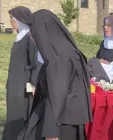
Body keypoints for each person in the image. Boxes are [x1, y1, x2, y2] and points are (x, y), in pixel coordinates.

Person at [20, 9, 92, 140]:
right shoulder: (59, 53)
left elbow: (58, 95)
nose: (31, 35)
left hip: (62, 122)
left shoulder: (60, 57)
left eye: (33, 30)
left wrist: (51, 131)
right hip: (60, 116)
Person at [2, 6, 41, 140]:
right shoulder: (20, 36)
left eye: (12, 19)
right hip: (14, 83)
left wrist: (33, 84)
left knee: (20, 114)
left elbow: (35, 63)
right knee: (12, 113)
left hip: (23, 85)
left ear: (19, 20)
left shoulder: (30, 38)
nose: (11, 22)